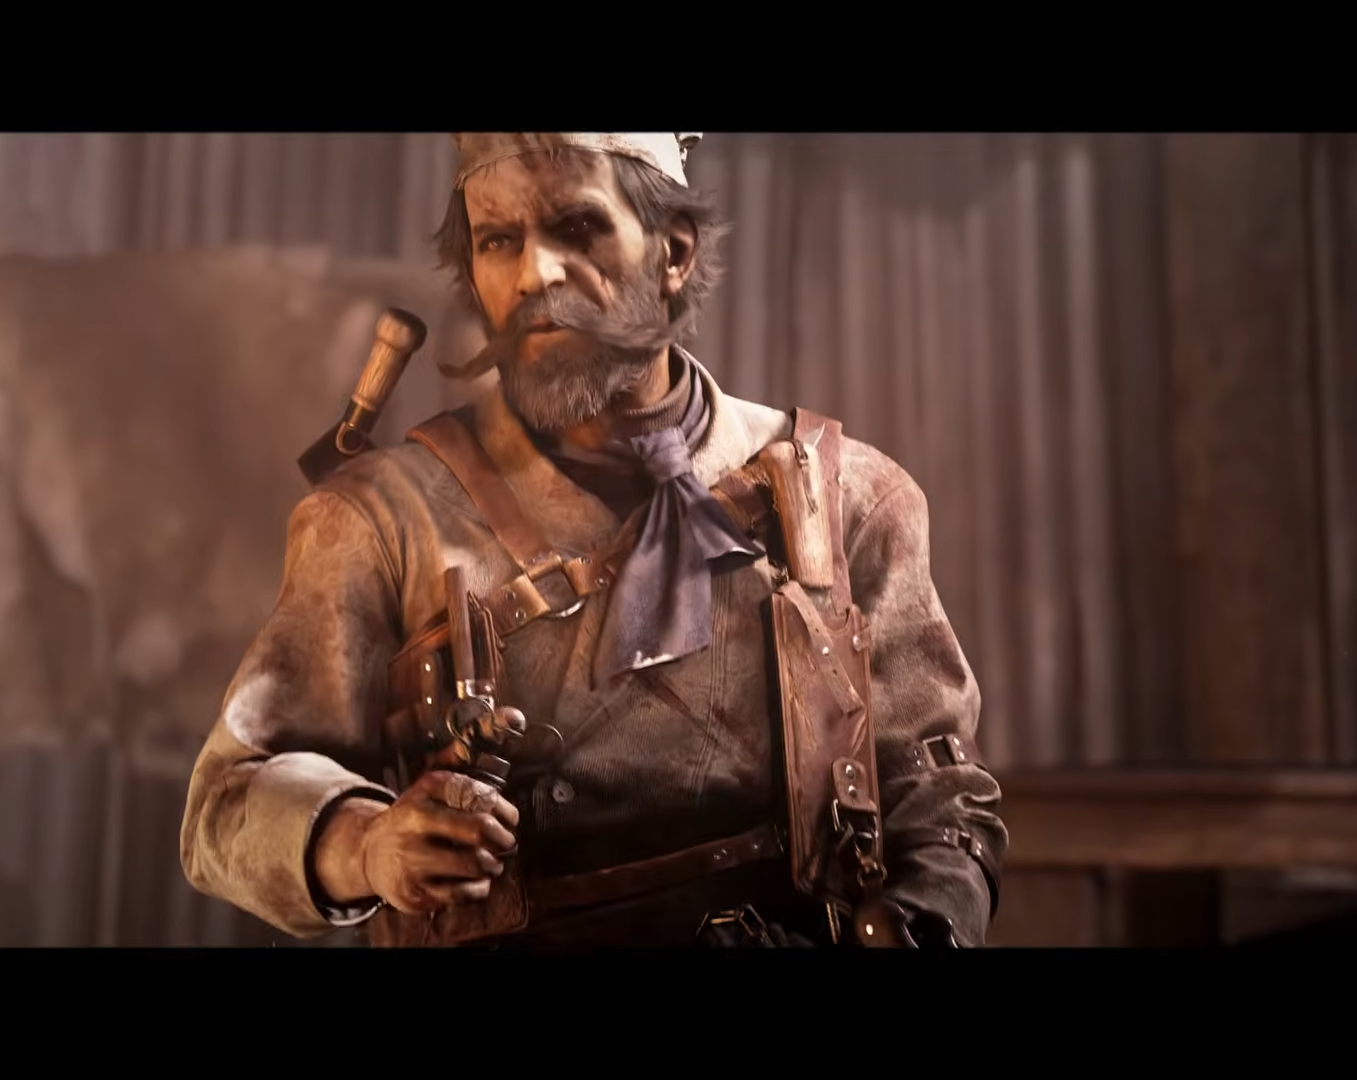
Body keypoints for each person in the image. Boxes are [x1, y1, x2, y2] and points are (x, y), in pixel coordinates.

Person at [178, 132, 1006, 949]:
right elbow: (227, 803)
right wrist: (363, 843)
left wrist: (926, 918)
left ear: (674, 252)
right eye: (498, 241)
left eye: (577, 227)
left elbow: (938, 791)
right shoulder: (382, 520)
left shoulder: (847, 497)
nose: (534, 274)